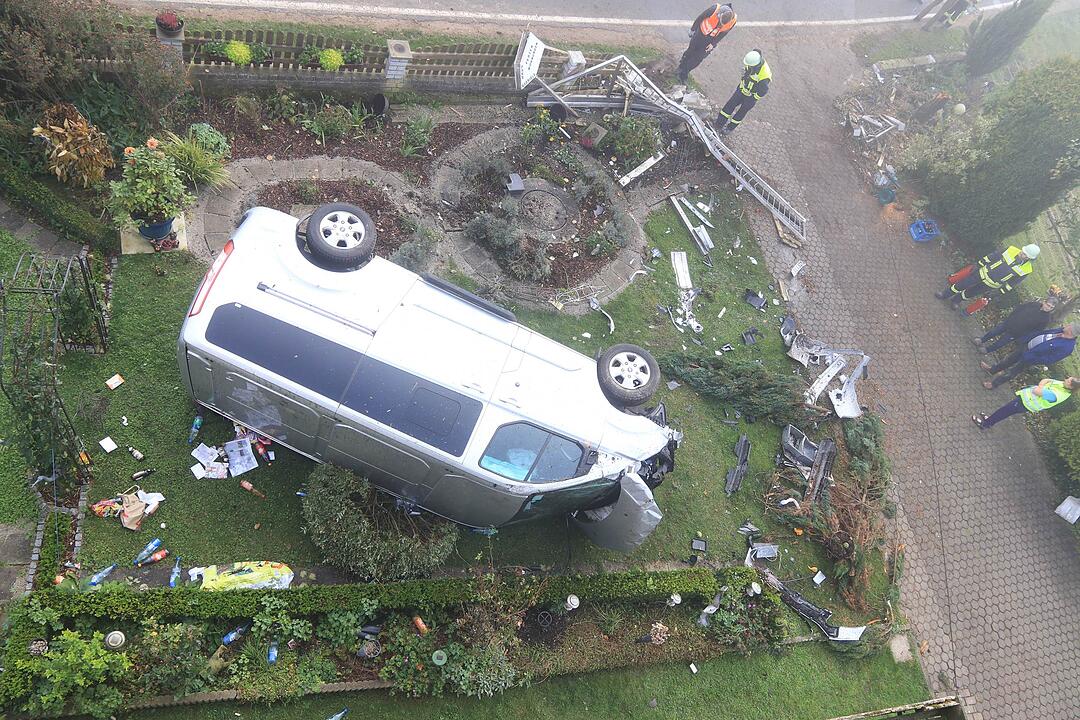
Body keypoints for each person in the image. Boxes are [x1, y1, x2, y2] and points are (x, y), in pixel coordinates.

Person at [936, 243, 1040, 309]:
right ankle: (945, 294)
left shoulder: (1026, 270)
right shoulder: (1010, 249)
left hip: (992, 284)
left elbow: (1013, 283)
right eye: (1023, 252)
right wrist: (979, 264)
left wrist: (999, 292)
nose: (1022, 254)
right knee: (962, 284)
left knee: (970, 293)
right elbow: (994, 255)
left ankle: (956, 300)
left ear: (1029, 258)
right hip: (982, 273)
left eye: (1026, 255)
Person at [980, 322, 1078, 389]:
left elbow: (1050, 359)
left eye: (1069, 325)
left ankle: (994, 384)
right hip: (1026, 346)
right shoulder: (1061, 330)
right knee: (1008, 360)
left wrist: (1032, 358)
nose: (1067, 324)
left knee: (1012, 371)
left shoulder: (1067, 348)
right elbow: (1044, 333)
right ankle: (992, 370)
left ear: (1071, 332)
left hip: (1030, 358)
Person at [973, 377, 1079, 429]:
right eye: (1068, 378)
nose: (1066, 379)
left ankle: (985, 424)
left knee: (1004, 412)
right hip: (1025, 399)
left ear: (1071, 386)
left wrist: (1040, 386)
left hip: (1025, 403)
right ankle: (989, 421)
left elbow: (1036, 390)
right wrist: (1041, 386)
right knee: (1003, 410)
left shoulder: (1057, 394)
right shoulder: (1062, 385)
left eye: (1068, 381)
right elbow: (1046, 379)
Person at [972, 295, 1059, 354]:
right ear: (1044, 302)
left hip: (1016, 333)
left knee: (1000, 343)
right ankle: (982, 340)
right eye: (1048, 305)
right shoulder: (1034, 304)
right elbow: (1020, 308)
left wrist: (1022, 337)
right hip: (1009, 322)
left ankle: (987, 350)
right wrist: (1010, 317)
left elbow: (1035, 331)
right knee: (993, 332)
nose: (1048, 308)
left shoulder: (1045, 319)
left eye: (1051, 307)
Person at [713, 49, 770, 136]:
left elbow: (763, 91)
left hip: (750, 97)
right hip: (741, 90)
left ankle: (729, 128)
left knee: (740, 113)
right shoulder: (753, 61)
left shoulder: (764, 76)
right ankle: (719, 123)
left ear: (755, 65)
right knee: (729, 106)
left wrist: (753, 98)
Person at [677, 4, 737, 84]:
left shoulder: (732, 21)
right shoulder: (714, 9)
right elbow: (700, 17)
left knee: (698, 59)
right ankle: (680, 67)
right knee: (690, 51)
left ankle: (684, 74)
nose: (720, 24)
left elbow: (723, 33)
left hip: (710, 41)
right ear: (719, 13)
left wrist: (713, 44)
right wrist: (692, 29)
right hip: (699, 34)